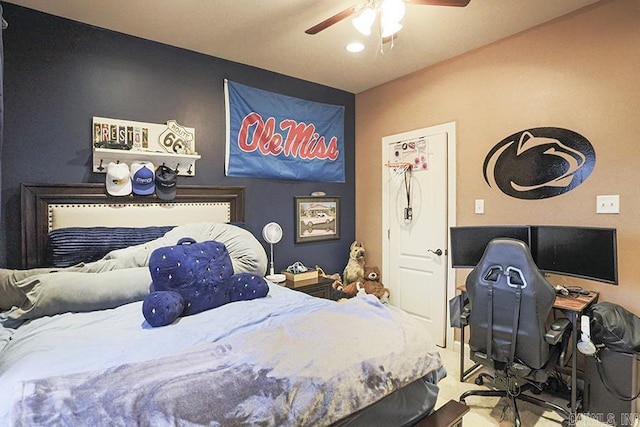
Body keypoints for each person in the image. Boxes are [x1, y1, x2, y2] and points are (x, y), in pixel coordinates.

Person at [0, 222, 268, 312]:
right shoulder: (185, 241)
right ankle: (13, 283)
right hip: (175, 246)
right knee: (112, 267)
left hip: (232, 256)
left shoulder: (237, 250)